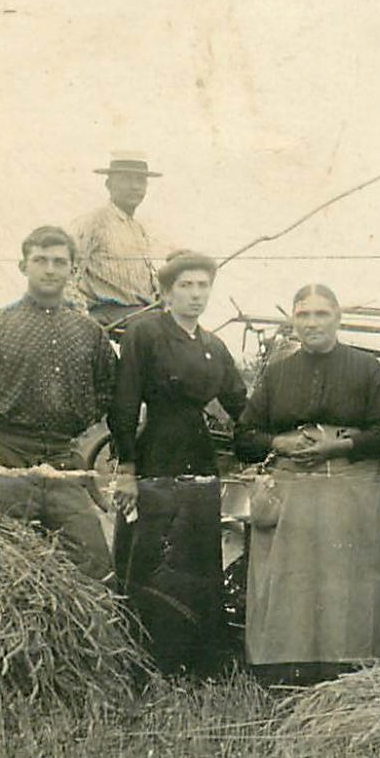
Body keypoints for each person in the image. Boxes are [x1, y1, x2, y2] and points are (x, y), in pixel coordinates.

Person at [234, 284, 380, 686]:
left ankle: (348, 673)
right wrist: (279, 442)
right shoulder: (278, 373)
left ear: (338, 318)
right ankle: (285, 672)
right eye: (303, 315)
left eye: (321, 314)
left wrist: (340, 445)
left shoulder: (365, 368)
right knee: (292, 585)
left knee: (348, 587)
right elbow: (244, 436)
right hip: (293, 490)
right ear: (293, 321)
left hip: (351, 489)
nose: (312, 323)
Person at [108, 250, 248, 676]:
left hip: (201, 460)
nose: (195, 294)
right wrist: (128, 469)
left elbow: (242, 405)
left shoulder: (213, 345)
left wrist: (276, 438)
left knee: (198, 559)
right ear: (165, 292)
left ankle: (198, 664)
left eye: (203, 286)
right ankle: (148, 663)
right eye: (185, 286)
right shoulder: (145, 333)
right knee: (153, 560)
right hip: (155, 459)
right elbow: (125, 403)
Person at [0, 226, 116, 579]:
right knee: (0, 573)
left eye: (59, 261)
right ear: (23, 266)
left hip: (61, 462)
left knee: (95, 566)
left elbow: (109, 390)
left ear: (73, 269)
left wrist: (78, 416)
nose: (50, 269)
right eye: (40, 260)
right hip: (3, 462)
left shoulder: (89, 333)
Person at [69, 152, 162, 330]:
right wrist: (80, 317)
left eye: (140, 180)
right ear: (109, 184)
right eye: (126, 179)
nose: (135, 187)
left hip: (143, 312)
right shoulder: (92, 223)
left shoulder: (138, 229)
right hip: (108, 313)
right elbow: (66, 273)